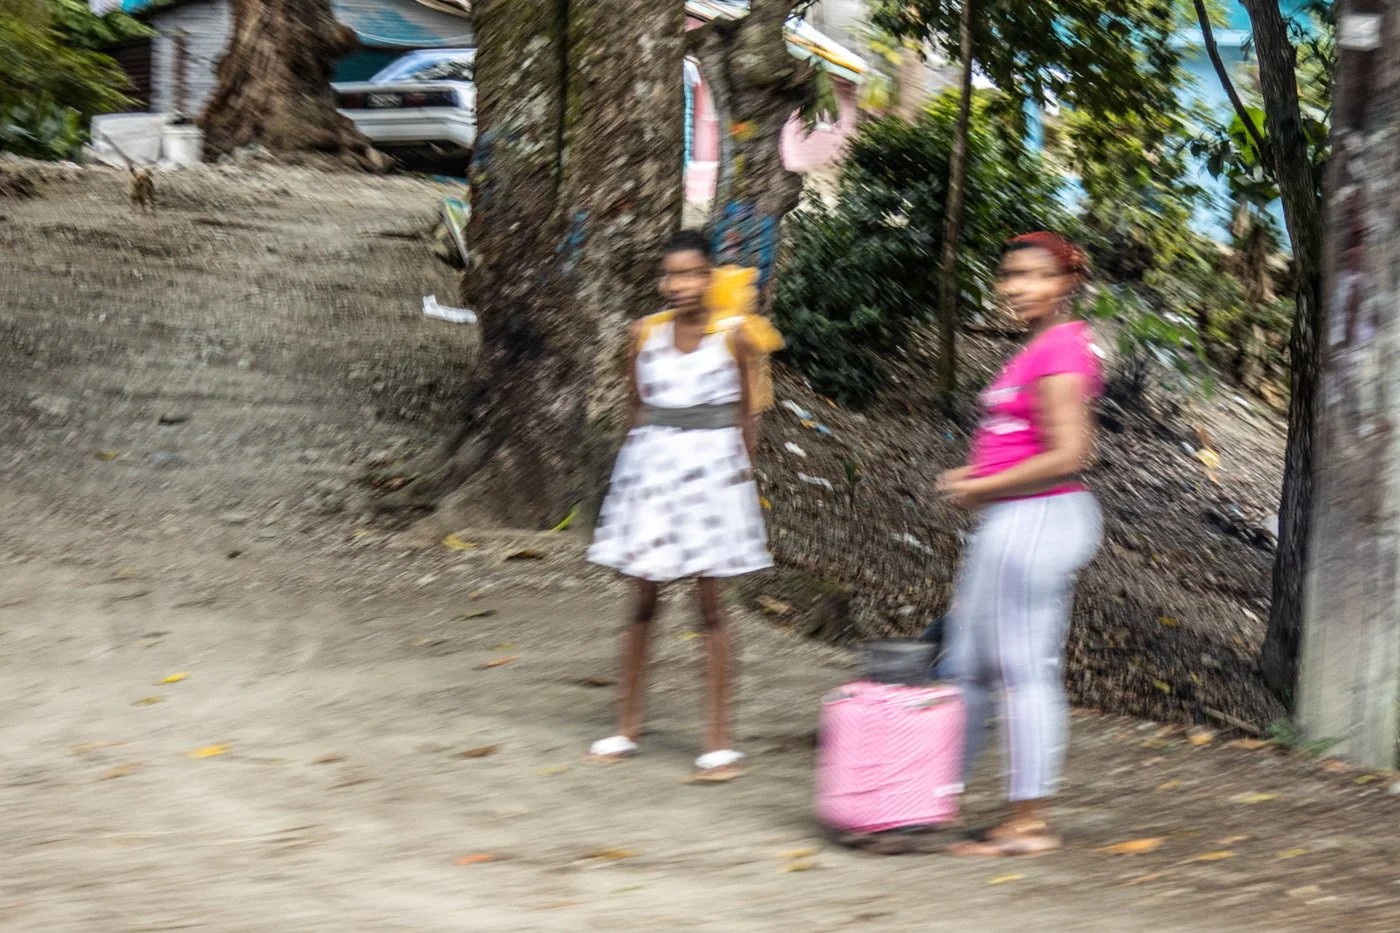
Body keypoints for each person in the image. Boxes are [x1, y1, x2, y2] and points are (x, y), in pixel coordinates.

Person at [585, 229, 780, 783]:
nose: (681, 285)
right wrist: (641, 475)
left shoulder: (738, 336)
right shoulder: (643, 334)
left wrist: (732, 480)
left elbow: (752, 414)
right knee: (642, 601)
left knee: (710, 606)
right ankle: (626, 725)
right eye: (671, 274)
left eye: (693, 273)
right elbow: (636, 406)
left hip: (714, 479)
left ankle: (717, 743)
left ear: (712, 276)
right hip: (652, 475)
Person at [938, 231, 1104, 856]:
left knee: (1021, 670)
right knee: (967, 665)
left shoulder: (1061, 347)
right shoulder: (1038, 346)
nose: (1017, 288)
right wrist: (983, 486)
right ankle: (931, 796)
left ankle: (1028, 821)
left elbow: (1071, 452)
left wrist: (983, 485)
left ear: (1066, 284)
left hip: (1036, 517)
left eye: (1035, 276)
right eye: (1010, 275)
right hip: (1012, 518)